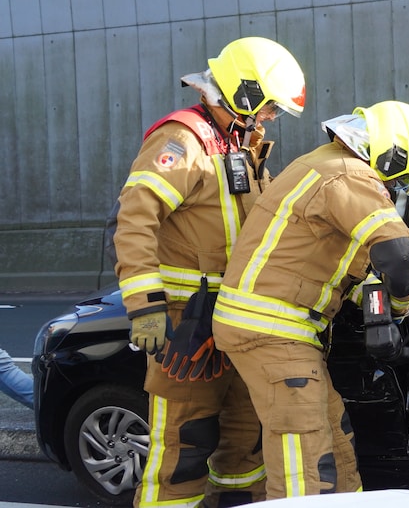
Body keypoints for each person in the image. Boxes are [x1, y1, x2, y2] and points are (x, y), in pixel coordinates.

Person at [113, 36, 307, 508]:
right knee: (183, 449)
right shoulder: (183, 142)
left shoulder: (237, 143)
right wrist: (145, 306)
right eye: (268, 109)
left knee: (244, 446)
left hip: (234, 322)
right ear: (244, 95)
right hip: (185, 323)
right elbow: (136, 219)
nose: (269, 119)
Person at [211, 100, 409, 499]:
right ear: (390, 155)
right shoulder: (348, 175)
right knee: (304, 458)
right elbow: (397, 253)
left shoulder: (324, 165)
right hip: (273, 330)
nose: (392, 194)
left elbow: (348, 263)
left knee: (334, 436)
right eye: (398, 183)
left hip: (279, 328)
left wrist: (377, 307)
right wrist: (400, 312)